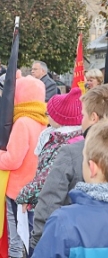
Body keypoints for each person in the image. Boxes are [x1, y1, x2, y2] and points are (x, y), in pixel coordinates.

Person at [30, 84, 108, 249]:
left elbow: (48, 203)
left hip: (70, 238)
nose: (81, 121)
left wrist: (38, 243)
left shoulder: (73, 152)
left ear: (93, 117)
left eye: (82, 115)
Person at [15, 87, 83, 256]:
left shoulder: (63, 145)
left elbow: (46, 179)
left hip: (55, 210)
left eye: (49, 113)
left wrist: (24, 194)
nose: (46, 115)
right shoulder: (57, 136)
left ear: (60, 119)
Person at [0, 75, 48, 258]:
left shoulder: (22, 122)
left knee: (16, 237)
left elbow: (12, 159)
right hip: (36, 190)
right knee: (32, 233)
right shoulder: (43, 121)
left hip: (17, 191)